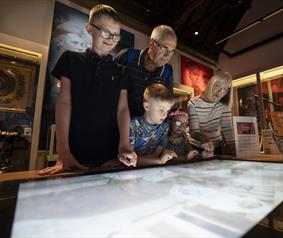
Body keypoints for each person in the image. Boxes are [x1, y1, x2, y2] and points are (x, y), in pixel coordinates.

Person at [39, 4, 136, 175]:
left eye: (116, 36)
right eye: (106, 32)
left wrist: (124, 145)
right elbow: (64, 103)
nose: (111, 39)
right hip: (75, 154)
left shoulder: (122, 71)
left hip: (111, 158)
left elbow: (122, 109)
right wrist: (64, 152)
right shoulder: (70, 59)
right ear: (90, 28)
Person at [115, 25, 177, 117]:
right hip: (117, 120)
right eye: (164, 48)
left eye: (172, 51)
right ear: (151, 44)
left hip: (145, 128)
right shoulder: (128, 56)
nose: (167, 55)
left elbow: (167, 104)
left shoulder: (167, 71)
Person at [123, 83, 176, 167]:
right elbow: (128, 159)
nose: (165, 115)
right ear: (147, 106)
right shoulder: (133, 125)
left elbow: (155, 155)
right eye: (161, 109)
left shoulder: (164, 127)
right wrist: (159, 161)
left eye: (167, 111)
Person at [187, 71, 235, 155]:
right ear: (211, 84)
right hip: (196, 146)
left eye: (224, 89)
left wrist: (234, 149)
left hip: (217, 146)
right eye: (217, 86)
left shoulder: (224, 105)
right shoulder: (193, 103)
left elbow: (227, 129)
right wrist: (206, 139)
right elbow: (194, 131)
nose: (220, 92)